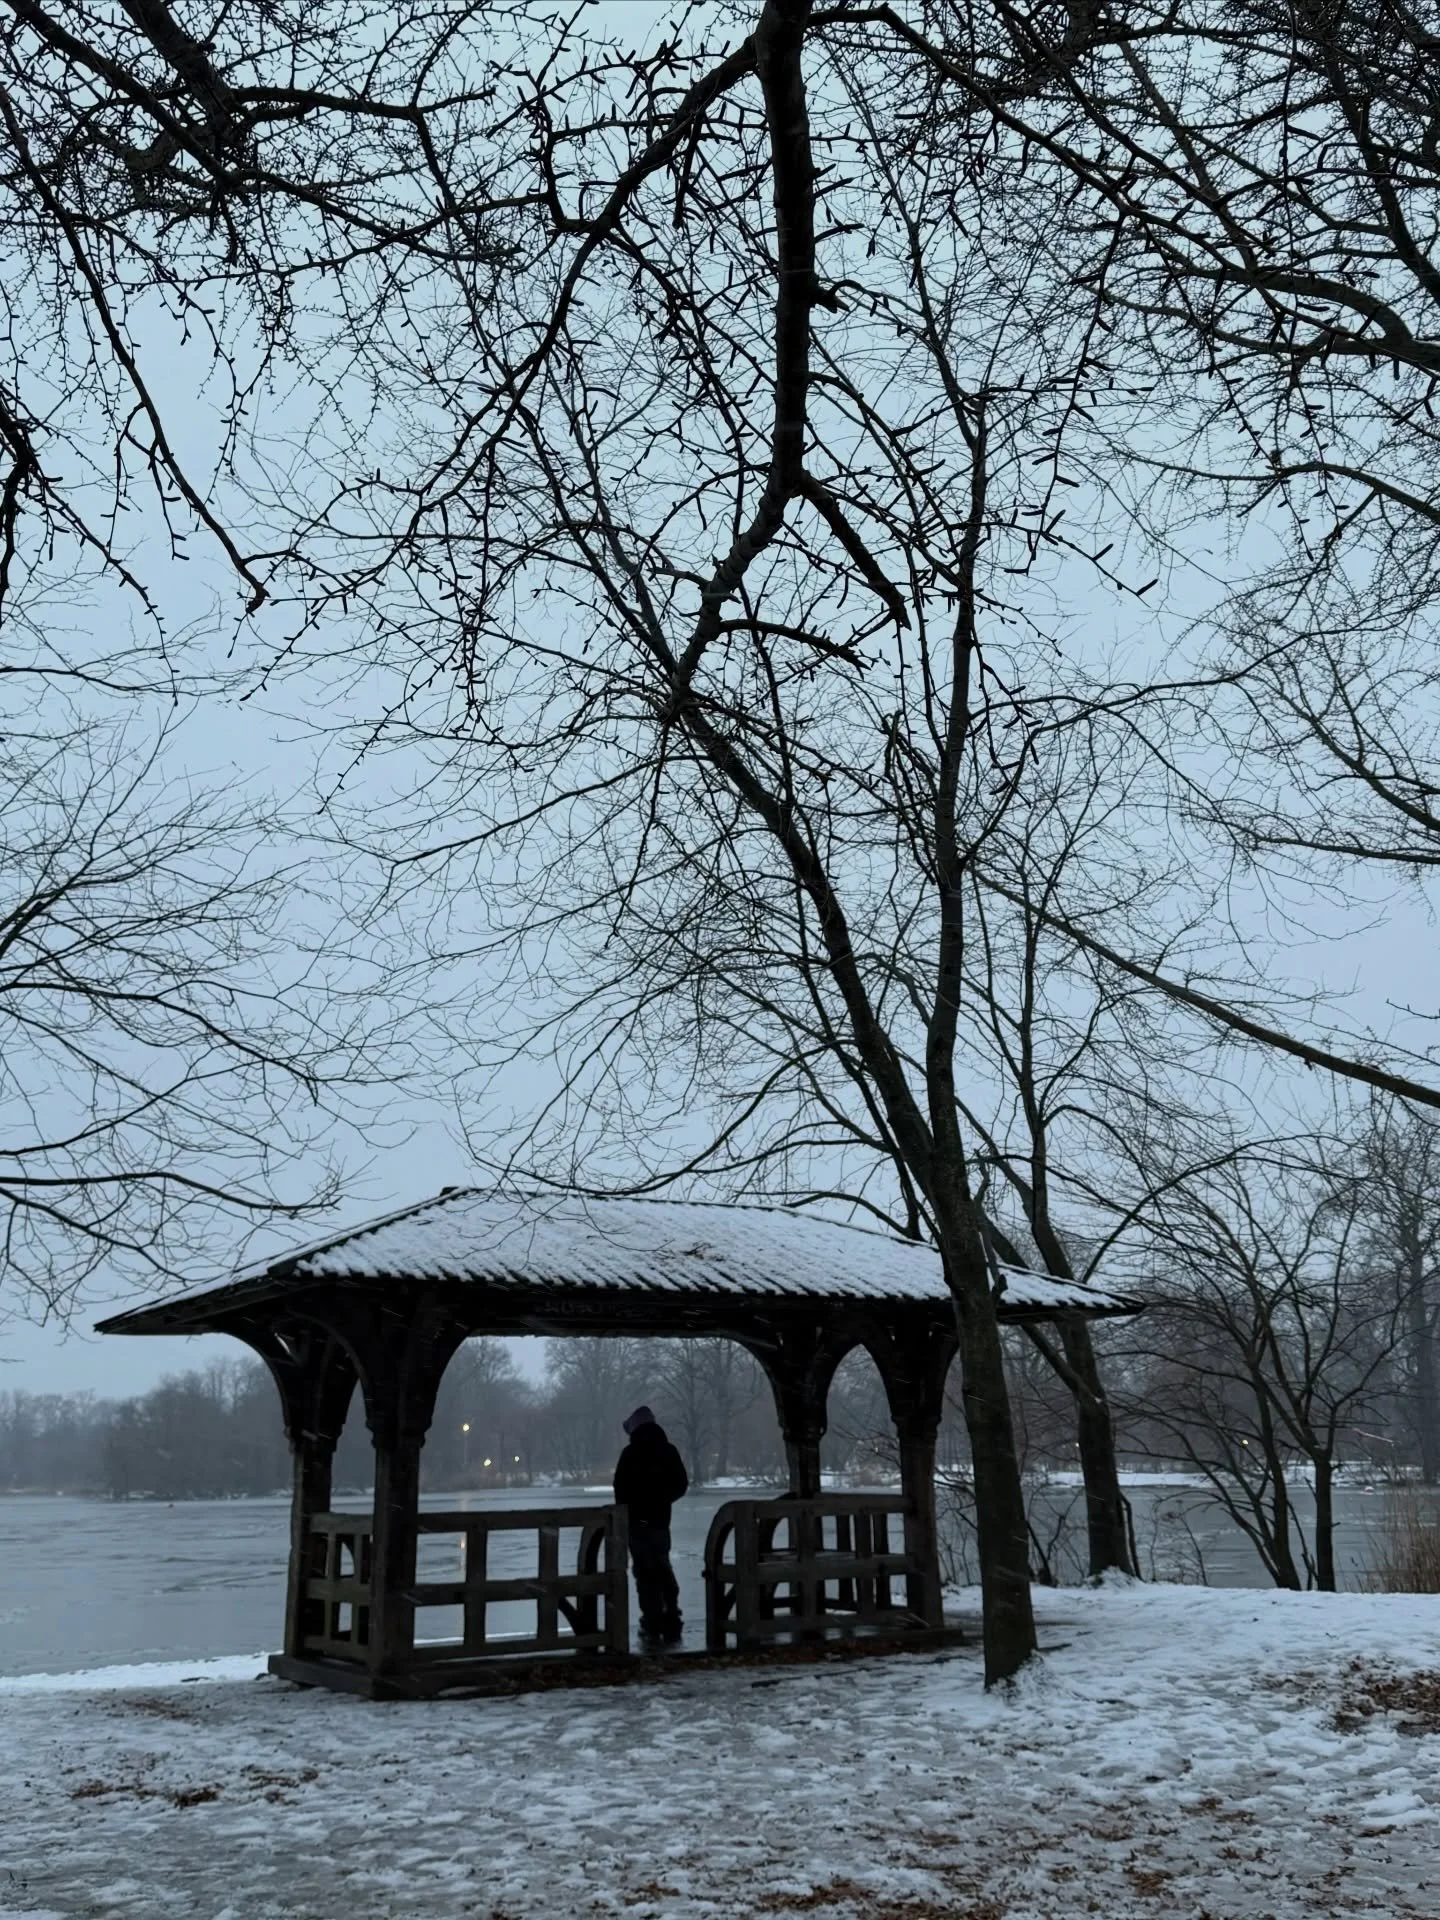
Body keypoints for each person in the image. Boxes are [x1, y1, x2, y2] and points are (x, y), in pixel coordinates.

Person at [613, 1404, 689, 1645]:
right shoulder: (668, 1451)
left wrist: (629, 1513)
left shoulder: (629, 1454)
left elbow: (620, 1490)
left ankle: (652, 1620)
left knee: (644, 1573)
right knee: (663, 1566)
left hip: (636, 1524)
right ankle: (672, 1615)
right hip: (659, 1521)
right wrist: (662, 1500)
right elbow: (681, 1484)